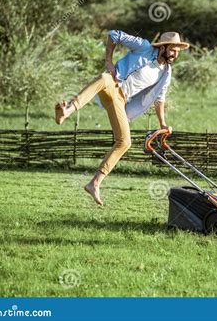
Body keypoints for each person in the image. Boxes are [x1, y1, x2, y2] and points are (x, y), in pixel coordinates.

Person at [54, 31, 189, 205]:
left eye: (178, 51)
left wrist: (163, 124)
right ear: (162, 47)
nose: (175, 54)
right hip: (111, 83)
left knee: (125, 142)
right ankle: (68, 110)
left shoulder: (166, 73)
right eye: (172, 49)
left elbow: (159, 99)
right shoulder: (144, 47)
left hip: (120, 100)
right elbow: (114, 34)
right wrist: (108, 62)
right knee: (104, 77)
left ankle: (94, 183)